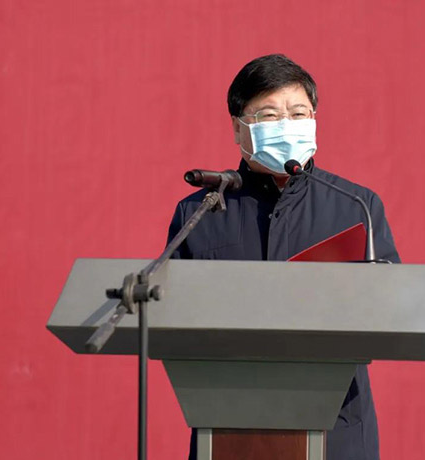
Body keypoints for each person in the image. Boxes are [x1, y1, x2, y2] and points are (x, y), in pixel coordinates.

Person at [167, 54, 400, 460]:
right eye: (270, 116)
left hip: (337, 428)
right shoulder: (200, 212)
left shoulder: (356, 207)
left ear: (314, 120)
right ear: (238, 127)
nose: (286, 125)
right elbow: (173, 319)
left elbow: (390, 309)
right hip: (230, 425)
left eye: (298, 114)